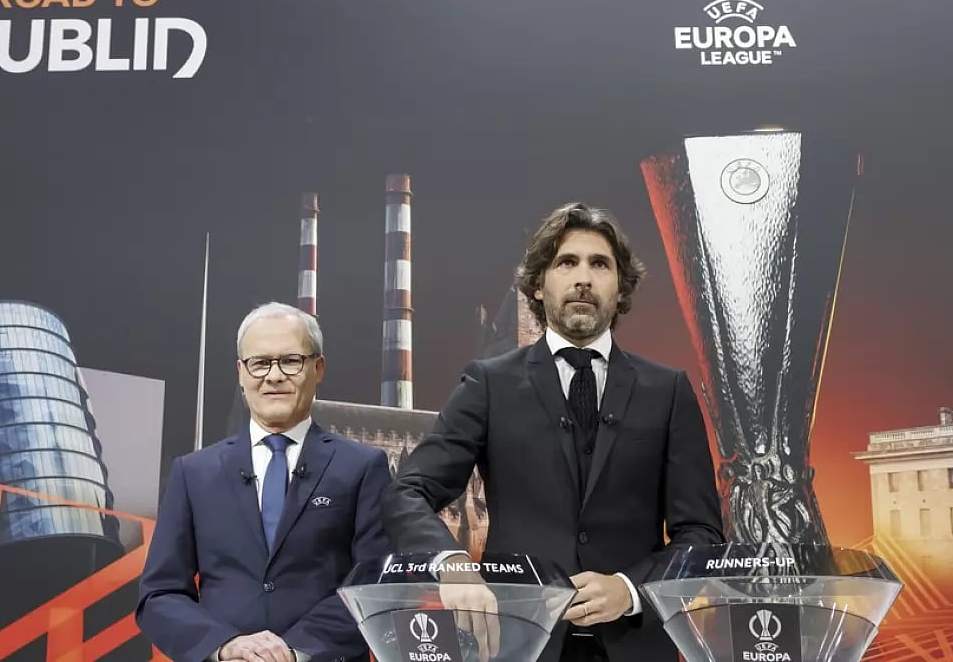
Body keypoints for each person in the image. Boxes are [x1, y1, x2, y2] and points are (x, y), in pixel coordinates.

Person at [381, 203, 725, 662]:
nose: (583, 278)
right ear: (538, 286)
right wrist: (452, 565)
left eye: (599, 264)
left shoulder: (668, 391)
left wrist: (629, 589)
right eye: (566, 263)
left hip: (633, 645)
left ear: (621, 288)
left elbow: (701, 534)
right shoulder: (489, 383)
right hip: (521, 646)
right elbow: (409, 492)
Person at [137, 302, 392, 662]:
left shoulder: (363, 467)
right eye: (259, 363)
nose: (274, 376)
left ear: (317, 368)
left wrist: (292, 651)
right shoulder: (194, 473)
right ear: (241, 373)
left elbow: (373, 585)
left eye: (290, 360)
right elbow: (159, 596)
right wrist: (226, 646)